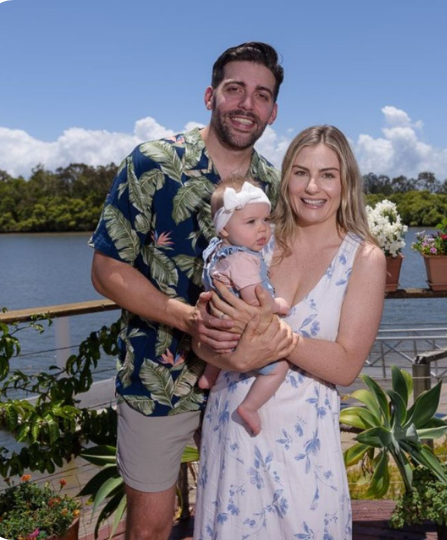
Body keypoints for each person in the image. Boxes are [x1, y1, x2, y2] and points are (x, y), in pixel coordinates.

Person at [89, 42, 296, 540]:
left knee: (243, 516)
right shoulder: (154, 163)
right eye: (235, 89)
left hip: (243, 379)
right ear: (210, 95)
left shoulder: (273, 181)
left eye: (261, 95)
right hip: (159, 378)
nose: (248, 103)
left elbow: (284, 270)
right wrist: (188, 318)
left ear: (273, 110)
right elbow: (105, 269)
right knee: (152, 529)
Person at [193, 125, 387, 539]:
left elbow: (346, 364)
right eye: (300, 173)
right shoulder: (256, 236)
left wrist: (275, 336)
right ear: (286, 179)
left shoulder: (364, 257)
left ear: (345, 182)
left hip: (305, 452)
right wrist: (224, 346)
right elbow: (203, 337)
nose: (312, 186)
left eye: (327, 174)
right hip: (233, 434)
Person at [198, 176, 290, 435]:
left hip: (221, 328)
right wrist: (279, 305)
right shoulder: (242, 259)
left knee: (220, 346)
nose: (262, 229)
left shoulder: (217, 251)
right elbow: (255, 301)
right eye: (251, 222)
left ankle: (209, 374)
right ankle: (249, 407)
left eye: (266, 220)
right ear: (224, 229)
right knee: (278, 368)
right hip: (240, 332)